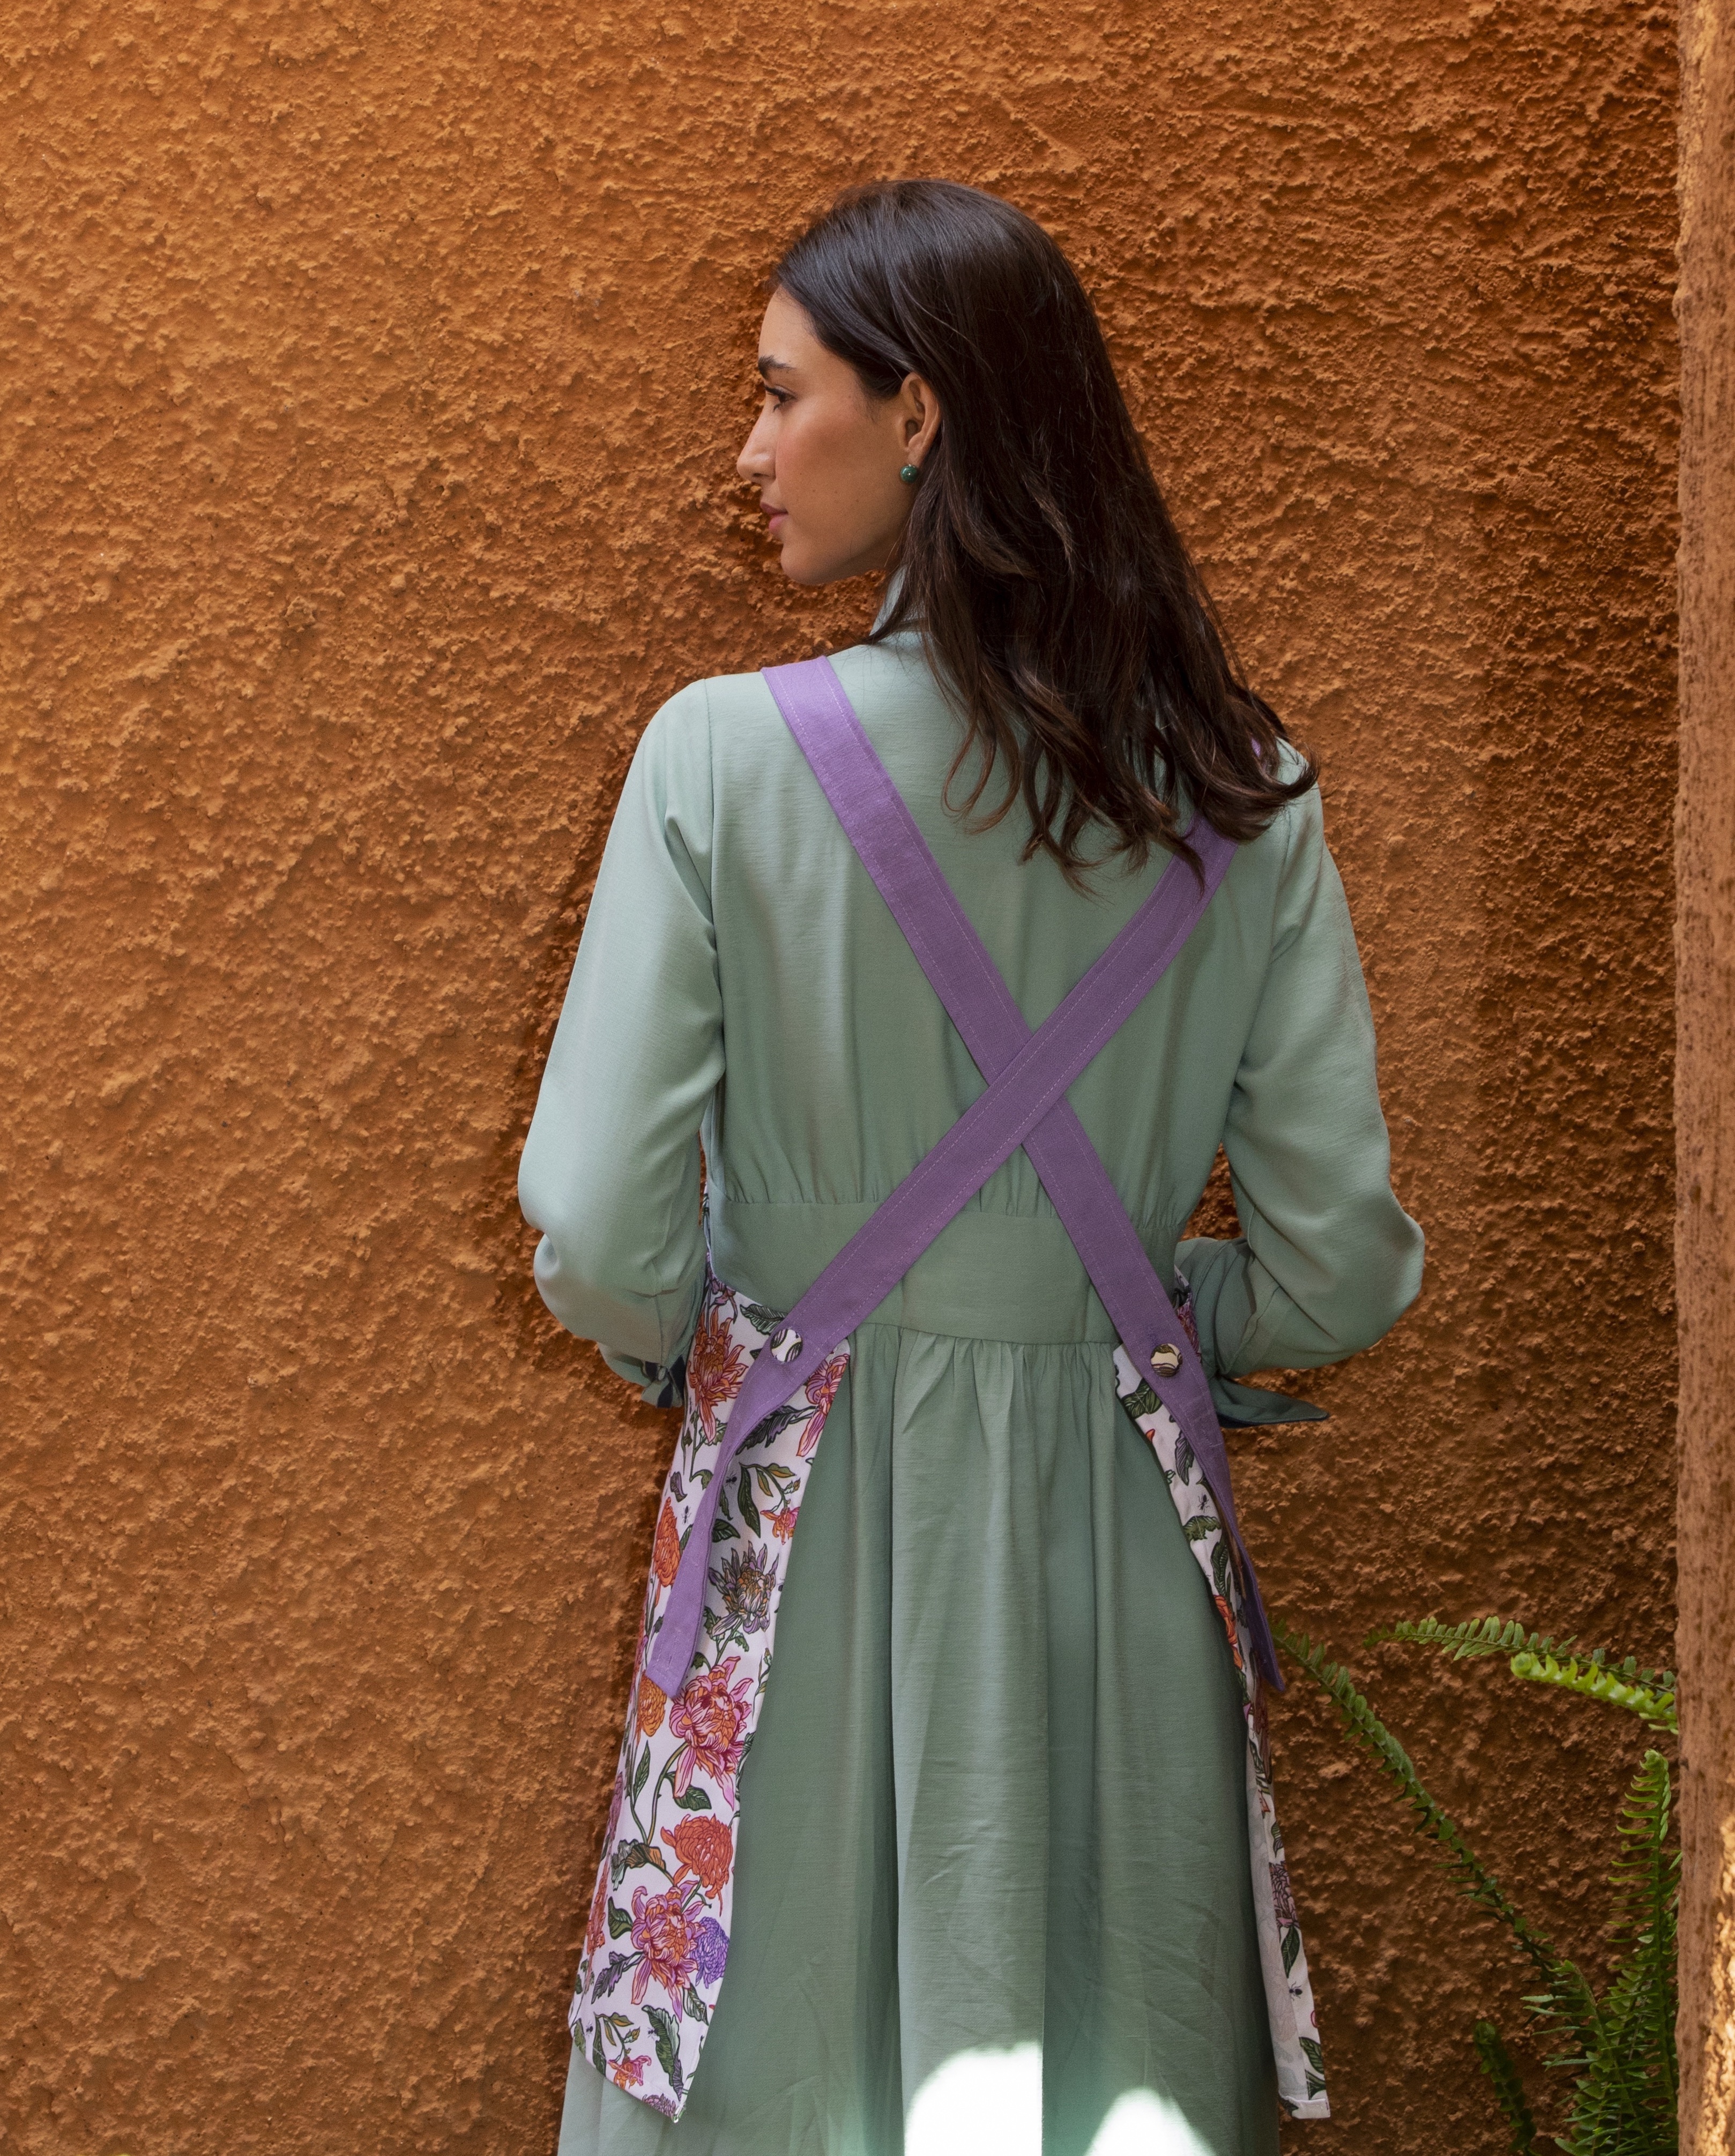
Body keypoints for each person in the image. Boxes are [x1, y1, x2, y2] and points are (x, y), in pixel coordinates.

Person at [519, 178, 1423, 2156]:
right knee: (1108, 2058)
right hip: (1116, 1535)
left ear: (917, 415)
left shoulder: (721, 763)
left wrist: (712, 1340)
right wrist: (1158, 1321)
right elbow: (1339, 1267)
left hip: (800, 1525)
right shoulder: (1246, 802)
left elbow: (595, 1230)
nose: (749, 451)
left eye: (780, 395)